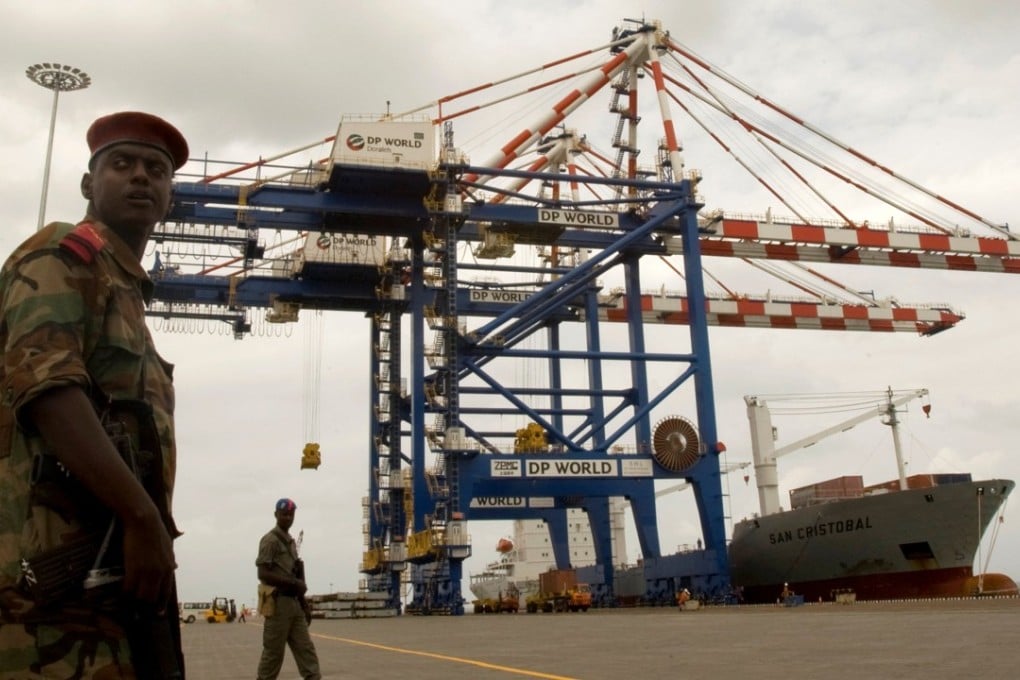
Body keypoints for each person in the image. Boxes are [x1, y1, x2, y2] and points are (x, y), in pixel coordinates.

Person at [0, 111, 189, 678]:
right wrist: (142, 518)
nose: (140, 177)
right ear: (88, 184)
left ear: (169, 196)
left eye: (156, 170)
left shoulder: (122, 289)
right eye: (121, 164)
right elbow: (48, 389)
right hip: (51, 579)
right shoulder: (63, 255)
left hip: (102, 571)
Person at [256, 498, 321, 680]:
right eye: (284, 514)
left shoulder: (291, 542)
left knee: (307, 651)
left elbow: (295, 575)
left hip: (294, 605)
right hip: (278, 605)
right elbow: (263, 573)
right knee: (273, 656)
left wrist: (304, 606)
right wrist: (293, 584)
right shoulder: (270, 541)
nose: (288, 518)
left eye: (291, 515)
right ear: (276, 515)